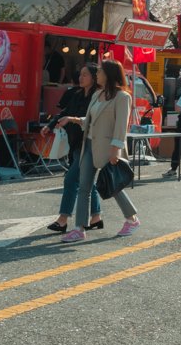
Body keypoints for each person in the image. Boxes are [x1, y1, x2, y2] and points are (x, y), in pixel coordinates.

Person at [60, 60, 141, 242]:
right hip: (88, 145)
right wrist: (72, 119)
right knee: (84, 187)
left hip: (108, 148)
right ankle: (79, 229)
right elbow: (91, 120)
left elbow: (120, 127)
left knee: (113, 185)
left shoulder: (122, 97)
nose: (97, 75)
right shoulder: (97, 94)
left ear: (109, 74)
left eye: (100, 72)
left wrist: (116, 150)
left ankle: (132, 219)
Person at [46, 63, 101, 233]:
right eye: (80, 74)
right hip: (75, 143)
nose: (81, 77)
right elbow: (64, 112)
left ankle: (63, 220)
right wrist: (50, 125)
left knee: (71, 180)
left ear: (94, 77)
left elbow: (93, 119)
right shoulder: (76, 94)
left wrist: (72, 119)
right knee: (87, 182)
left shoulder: (98, 97)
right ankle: (96, 217)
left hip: (90, 143)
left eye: (85, 75)